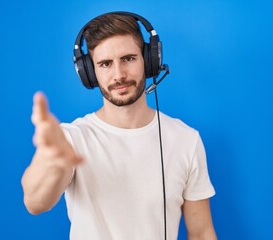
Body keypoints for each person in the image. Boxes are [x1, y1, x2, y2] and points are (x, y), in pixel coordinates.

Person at [21, 11, 217, 240]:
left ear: (149, 60)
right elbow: (35, 202)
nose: (119, 74)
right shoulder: (71, 139)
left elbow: (201, 232)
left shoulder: (185, 139)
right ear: (90, 73)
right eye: (105, 64)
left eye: (128, 58)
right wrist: (51, 162)